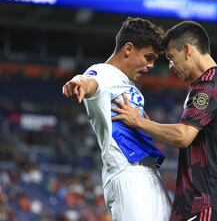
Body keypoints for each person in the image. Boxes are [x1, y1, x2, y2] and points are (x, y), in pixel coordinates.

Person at [112, 21, 217, 221]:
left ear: (188, 50)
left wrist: (139, 122)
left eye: (171, 57)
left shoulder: (209, 85)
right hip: (203, 199)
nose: (171, 66)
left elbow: (183, 136)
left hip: (207, 200)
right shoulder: (215, 81)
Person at [62, 17, 171, 221]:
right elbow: (90, 81)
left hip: (150, 173)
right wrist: (78, 82)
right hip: (128, 174)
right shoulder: (104, 73)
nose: (151, 65)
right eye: (148, 57)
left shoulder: (128, 84)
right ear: (128, 49)